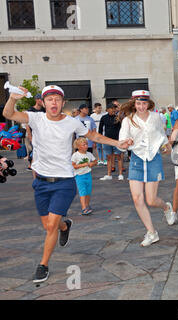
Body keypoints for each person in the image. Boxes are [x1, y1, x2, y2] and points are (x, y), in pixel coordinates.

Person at [2, 84, 132, 283]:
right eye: (49, 99)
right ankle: (65, 226)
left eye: (57, 99)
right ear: (43, 103)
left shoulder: (72, 123)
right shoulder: (35, 118)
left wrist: (117, 143)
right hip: (41, 182)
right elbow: (8, 113)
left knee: (51, 225)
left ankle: (43, 264)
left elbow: (93, 136)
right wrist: (13, 98)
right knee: (49, 226)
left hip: (64, 181)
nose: (53, 102)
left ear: (63, 103)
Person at [118, 90, 175, 245]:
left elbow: (161, 135)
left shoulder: (157, 117)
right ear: (134, 104)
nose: (141, 107)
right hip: (136, 159)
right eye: (138, 103)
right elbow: (121, 142)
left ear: (148, 104)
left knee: (151, 200)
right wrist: (126, 142)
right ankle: (151, 232)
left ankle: (166, 207)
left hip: (153, 159)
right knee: (137, 198)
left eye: (144, 103)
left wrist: (165, 145)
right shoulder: (128, 120)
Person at [72, 137, 97, 215]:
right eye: (83, 145)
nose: (86, 146)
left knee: (88, 191)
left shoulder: (89, 154)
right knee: (82, 192)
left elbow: (95, 161)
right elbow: (73, 166)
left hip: (88, 175)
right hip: (79, 176)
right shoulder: (75, 155)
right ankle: (84, 208)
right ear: (78, 147)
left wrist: (92, 164)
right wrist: (83, 164)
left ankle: (87, 205)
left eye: (86, 144)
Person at [99, 104, 124, 180]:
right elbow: (100, 129)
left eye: (114, 108)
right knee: (108, 157)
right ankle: (109, 175)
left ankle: (120, 174)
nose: (113, 110)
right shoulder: (103, 118)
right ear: (107, 110)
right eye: (112, 108)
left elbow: (123, 129)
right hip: (107, 140)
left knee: (119, 157)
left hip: (117, 140)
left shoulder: (118, 117)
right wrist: (100, 139)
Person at [25, 93, 45, 173]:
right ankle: (31, 165)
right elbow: (27, 124)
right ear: (36, 100)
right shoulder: (31, 110)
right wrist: (30, 136)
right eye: (40, 99)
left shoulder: (44, 110)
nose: (42, 101)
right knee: (32, 150)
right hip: (33, 133)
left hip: (42, 134)